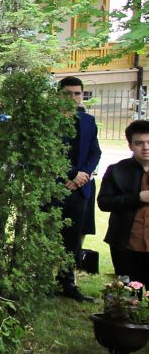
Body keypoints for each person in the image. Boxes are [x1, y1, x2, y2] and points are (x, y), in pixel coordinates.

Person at [57, 76, 101, 301]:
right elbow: (49, 154)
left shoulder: (88, 121)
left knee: (73, 239)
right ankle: (43, 279)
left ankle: (67, 283)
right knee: (52, 236)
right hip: (55, 188)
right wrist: (71, 174)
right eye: (68, 93)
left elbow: (96, 152)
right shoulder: (48, 121)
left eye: (77, 93)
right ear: (59, 95)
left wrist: (81, 176)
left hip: (80, 189)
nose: (73, 98)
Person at [99, 120, 149, 287]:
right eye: (139, 143)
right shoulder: (117, 170)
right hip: (126, 244)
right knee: (129, 297)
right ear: (130, 146)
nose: (146, 147)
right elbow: (104, 202)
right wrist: (138, 197)